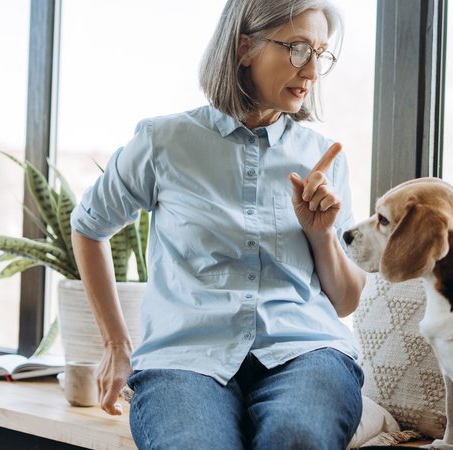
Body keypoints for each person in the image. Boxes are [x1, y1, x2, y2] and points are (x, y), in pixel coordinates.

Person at [70, 1, 366, 448]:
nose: (312, 73)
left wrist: (321, 234)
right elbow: (88, 227)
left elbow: (344, 302)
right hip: (183, 359)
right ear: (245, 47)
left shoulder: (322, 157)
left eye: (320, 55)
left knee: (297, 438)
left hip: (306, 352)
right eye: (299, 49)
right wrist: (116, 344)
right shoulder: (162, 142)